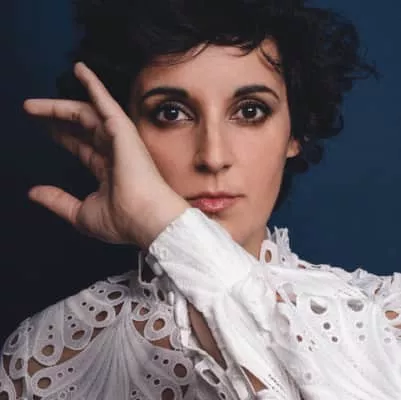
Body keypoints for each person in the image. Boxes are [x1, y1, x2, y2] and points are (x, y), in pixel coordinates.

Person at [1, 0, 400, 399]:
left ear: (296, 133)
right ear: (122, 132)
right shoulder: (44, 358)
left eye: (250, 111)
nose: (213, 156)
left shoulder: (383, 317)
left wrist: (167, 226)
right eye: (171, 113)